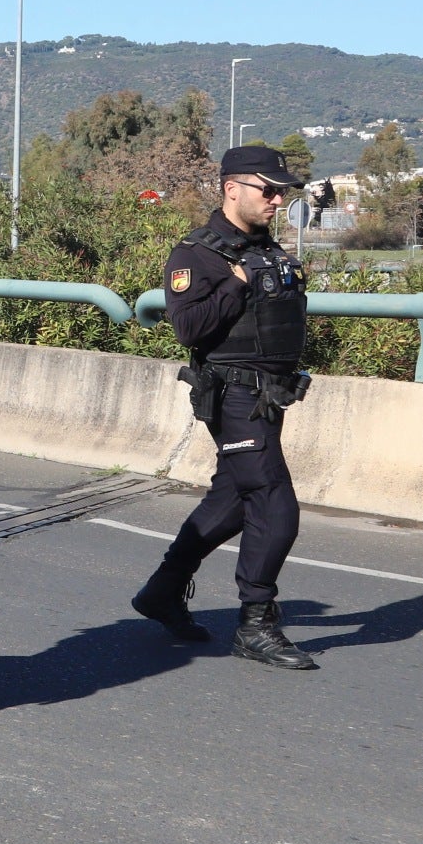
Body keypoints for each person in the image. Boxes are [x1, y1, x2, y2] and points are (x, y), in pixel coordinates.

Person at [132, 145, 317, 670]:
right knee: (273, 498)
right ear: (232, 188)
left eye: (283, 191)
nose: (278, 200)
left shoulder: (268, 248)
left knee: (235, 499)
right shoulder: (198, 253)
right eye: (269, 190)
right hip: (233, 394)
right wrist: (236, 284)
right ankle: (256, 621)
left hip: (269, 395)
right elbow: (189, 327)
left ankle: (162, 592)